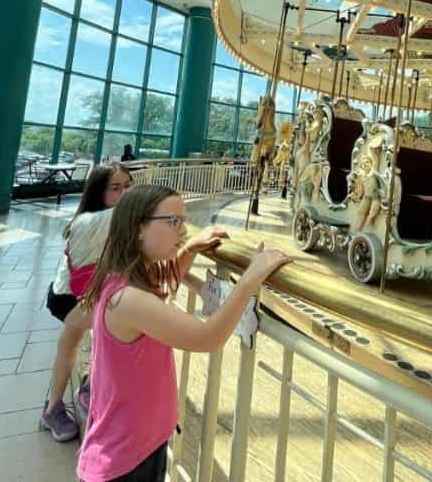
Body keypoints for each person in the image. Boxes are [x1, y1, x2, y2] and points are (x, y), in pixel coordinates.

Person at [77, 185, 290, 482]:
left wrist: (189, 250)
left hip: (136, 444)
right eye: (173, 221)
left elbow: (163, 282)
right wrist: (250, 279)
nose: (183, 228)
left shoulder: (124, 281)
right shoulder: (129, 299)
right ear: (139, 228)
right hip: (125, 461)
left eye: (183, 220)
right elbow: (207, 338)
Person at [41, 163, 132, 442]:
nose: (125, 194)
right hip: (69, 298)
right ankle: (91, 386)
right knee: (126, 328)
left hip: (74, 292)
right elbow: (144, 211)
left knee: (68, 346)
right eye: (116, 188)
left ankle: (53, 407)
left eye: (128, 187)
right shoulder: (94, 221)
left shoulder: (100, 219)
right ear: (98, 192)